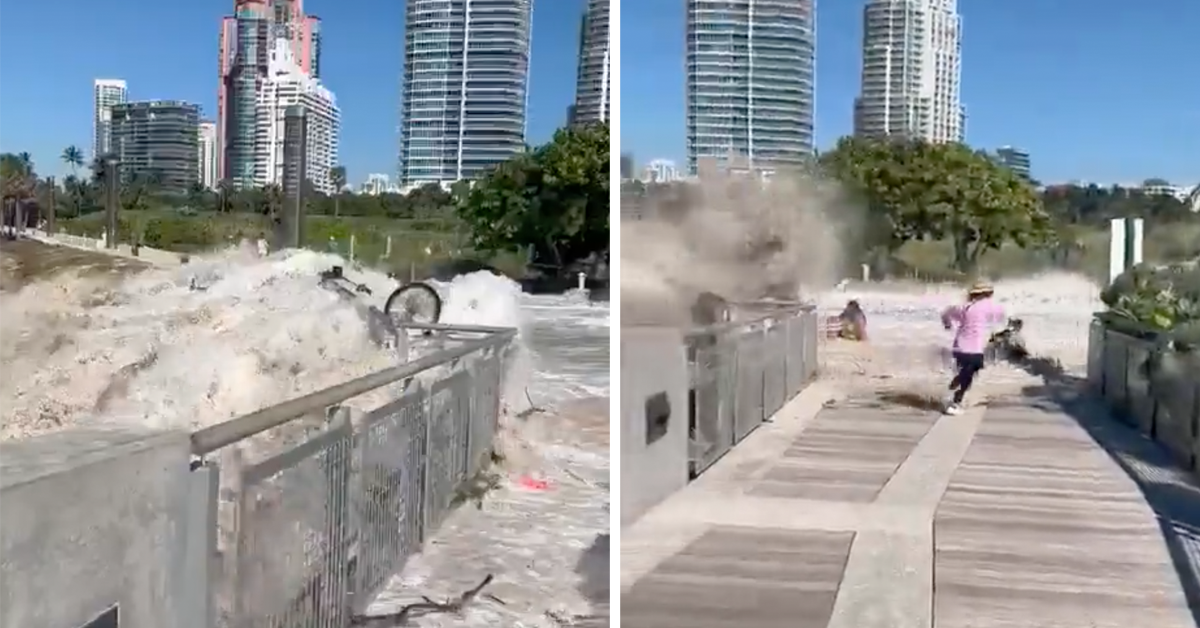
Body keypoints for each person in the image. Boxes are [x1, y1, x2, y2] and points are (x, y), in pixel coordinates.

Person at [940, 281, 1005, 415]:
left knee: (968, 372)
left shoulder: (965, 307)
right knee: (969, 374)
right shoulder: (989, 306)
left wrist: (947, 324)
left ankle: (956, 386)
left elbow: (946, 313)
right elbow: (1002, 318)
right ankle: (955, 402)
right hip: (973, 349)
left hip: (960, 347)